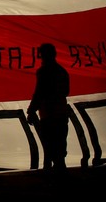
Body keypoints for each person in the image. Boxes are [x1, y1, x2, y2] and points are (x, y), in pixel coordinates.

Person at [26, 43, 70, 174]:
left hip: (49, 115)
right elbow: (66, 91)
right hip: (61, 114)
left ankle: (53, 173)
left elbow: (39, 92)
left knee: (50, 145)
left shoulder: (44, 72)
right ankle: (59, 172)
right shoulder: (62, 71)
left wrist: (31, 110)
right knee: (60, 146)